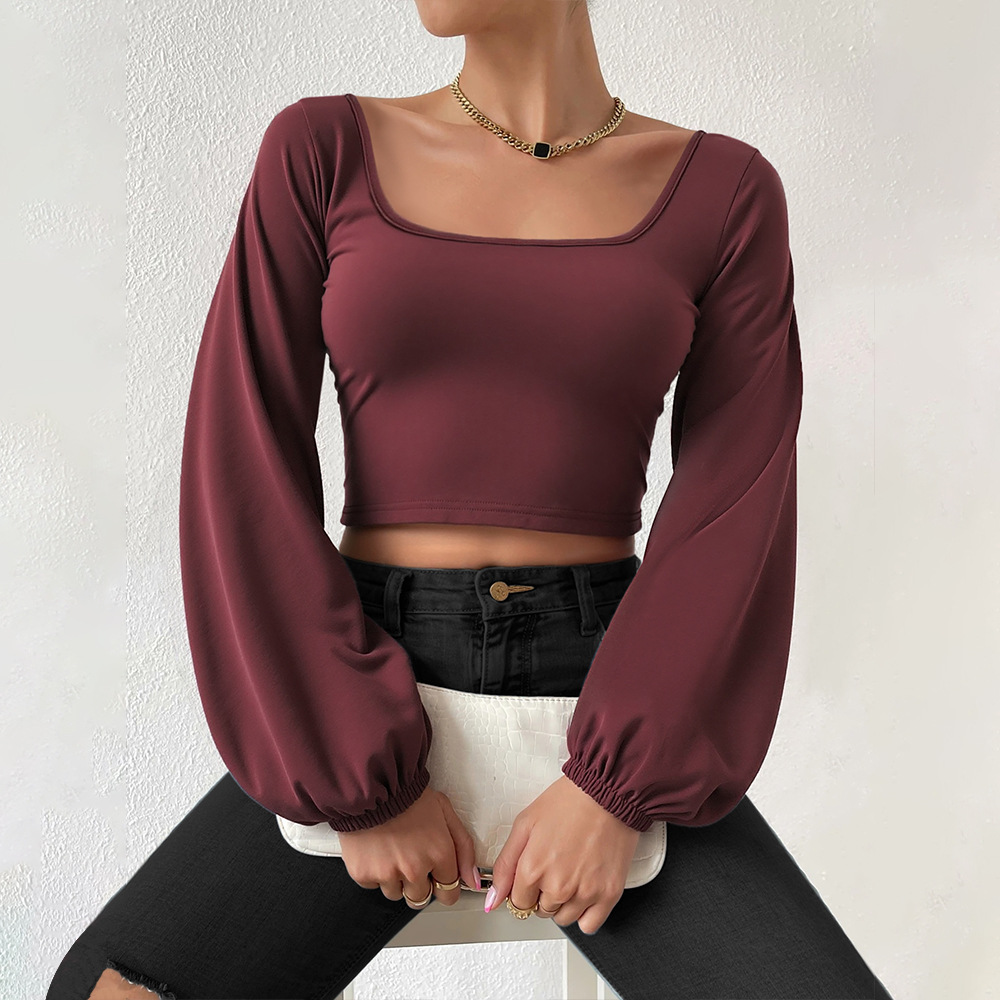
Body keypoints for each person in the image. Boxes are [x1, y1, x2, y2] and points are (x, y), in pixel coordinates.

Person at [48, 1, 895, 998]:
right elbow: (241, 463)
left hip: (610, 690)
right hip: (366, 682)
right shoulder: (321, 152)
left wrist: (614, 791)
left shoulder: (726, 191)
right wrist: (360, 784)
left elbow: (733, 505)